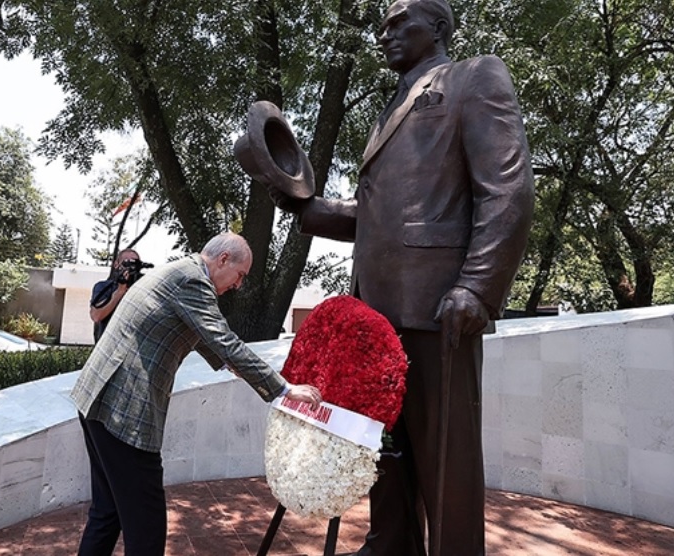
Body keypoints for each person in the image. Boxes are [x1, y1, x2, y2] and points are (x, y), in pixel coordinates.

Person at [264, 0, 535, 553]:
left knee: (446, 460)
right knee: (384, 448)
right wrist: (310, 211)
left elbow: (507, 188)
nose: (384, 34)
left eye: (398, 22)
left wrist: (478, 286)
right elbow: (380, 214)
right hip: (377, 312)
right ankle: (390, 545)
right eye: (380, 25)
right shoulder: (394, 105)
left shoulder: (473, 77)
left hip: (440, 311)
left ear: (437, 27)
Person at [70, 232, 323, 556]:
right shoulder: (193, 281)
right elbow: (226, 343)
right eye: (240, 275)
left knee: (107, 513)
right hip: (125, 412)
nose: (238, 285)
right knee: (146, 533)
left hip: (98, 399)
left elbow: (212, 345)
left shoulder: (179, 275)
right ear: (223, 260)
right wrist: (284, 390)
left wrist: (235, 366)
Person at [89, 248, 140, 343]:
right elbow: (96, 316)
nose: (131, 267)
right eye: (126, 263)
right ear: (116, 265)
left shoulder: (142, 288)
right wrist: (119, 292)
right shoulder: (104, 287)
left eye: (134, 264)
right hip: (110, 348)